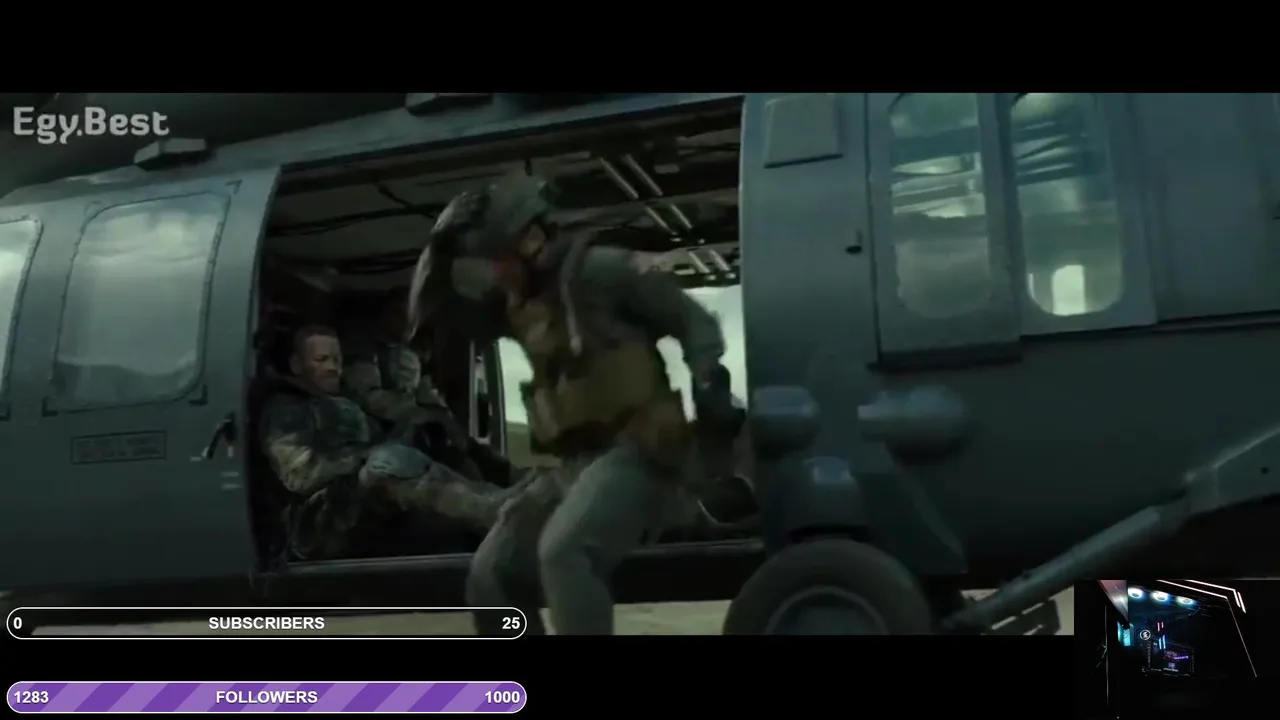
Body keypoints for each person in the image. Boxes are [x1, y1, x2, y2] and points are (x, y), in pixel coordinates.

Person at [407, 173, 738, 635]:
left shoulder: (601, 271)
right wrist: (437, 251)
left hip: (642, 453)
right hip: (572, 466)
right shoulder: (516, 303)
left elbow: (692, 321)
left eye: (500, 258)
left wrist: (710, 383)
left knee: (565, 553)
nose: (495, 272)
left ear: (532, 241)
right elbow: (429, 322)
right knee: (492, 573)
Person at [257, 324, 516, 559]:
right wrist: (364, 457)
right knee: (386, 461)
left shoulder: (346, 401)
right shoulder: (285, 410)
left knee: (431, 441)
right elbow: (300, 474)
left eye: (337, 360)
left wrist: (413, 431)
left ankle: (501, 498)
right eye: (321, 359)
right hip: (319, 522)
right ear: (297, 365)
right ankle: (492, 512)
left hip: (360, 504)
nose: (333, 367)